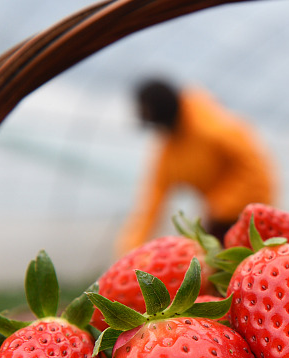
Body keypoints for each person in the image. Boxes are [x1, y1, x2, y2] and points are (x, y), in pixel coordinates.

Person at [116, 78, 276, 255]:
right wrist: (129, 251)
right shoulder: (170, 147)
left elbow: (257, 172)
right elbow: (152, 201)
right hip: (217, 218)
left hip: (249, 218)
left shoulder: (212, 128)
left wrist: (222, 206)